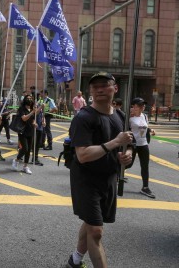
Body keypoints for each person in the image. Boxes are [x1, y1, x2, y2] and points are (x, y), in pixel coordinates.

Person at [65, 72, 133, 268]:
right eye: (95, 87)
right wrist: (115, 143)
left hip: (109, 177)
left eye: (105, 85)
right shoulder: (83, 118)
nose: (100, 89)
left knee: (90, 221)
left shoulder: (121, 116)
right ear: (90, 91)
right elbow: (83, 155)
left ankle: (75, 260)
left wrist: (126, 154)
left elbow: (129, 143)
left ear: (115, 89)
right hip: (86, 179)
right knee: (96, 230)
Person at [128, 97, 156, 198]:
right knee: (128, 164)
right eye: (140, 105)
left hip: (144, 144)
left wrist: (150, 130)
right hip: (133, 144)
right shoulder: (129, 118)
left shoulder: (144, 116)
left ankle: (145, 187)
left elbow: (144, 127)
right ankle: (117, 176)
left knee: (145, 166)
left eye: (143, 105)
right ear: (134, 106)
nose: (143, 106)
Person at [11, 95, 41, 174]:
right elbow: (24, 118)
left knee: (28, 150)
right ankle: (16, 160)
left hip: (30, 131)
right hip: (22, 131)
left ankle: (25, 166)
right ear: (25, 100)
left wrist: (35, 124)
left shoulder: (32, 109)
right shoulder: (22, 109)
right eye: (28, 98)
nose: (29, 99)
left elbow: (33, 119)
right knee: (25, 148)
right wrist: (32, 112)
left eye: (31, 98)